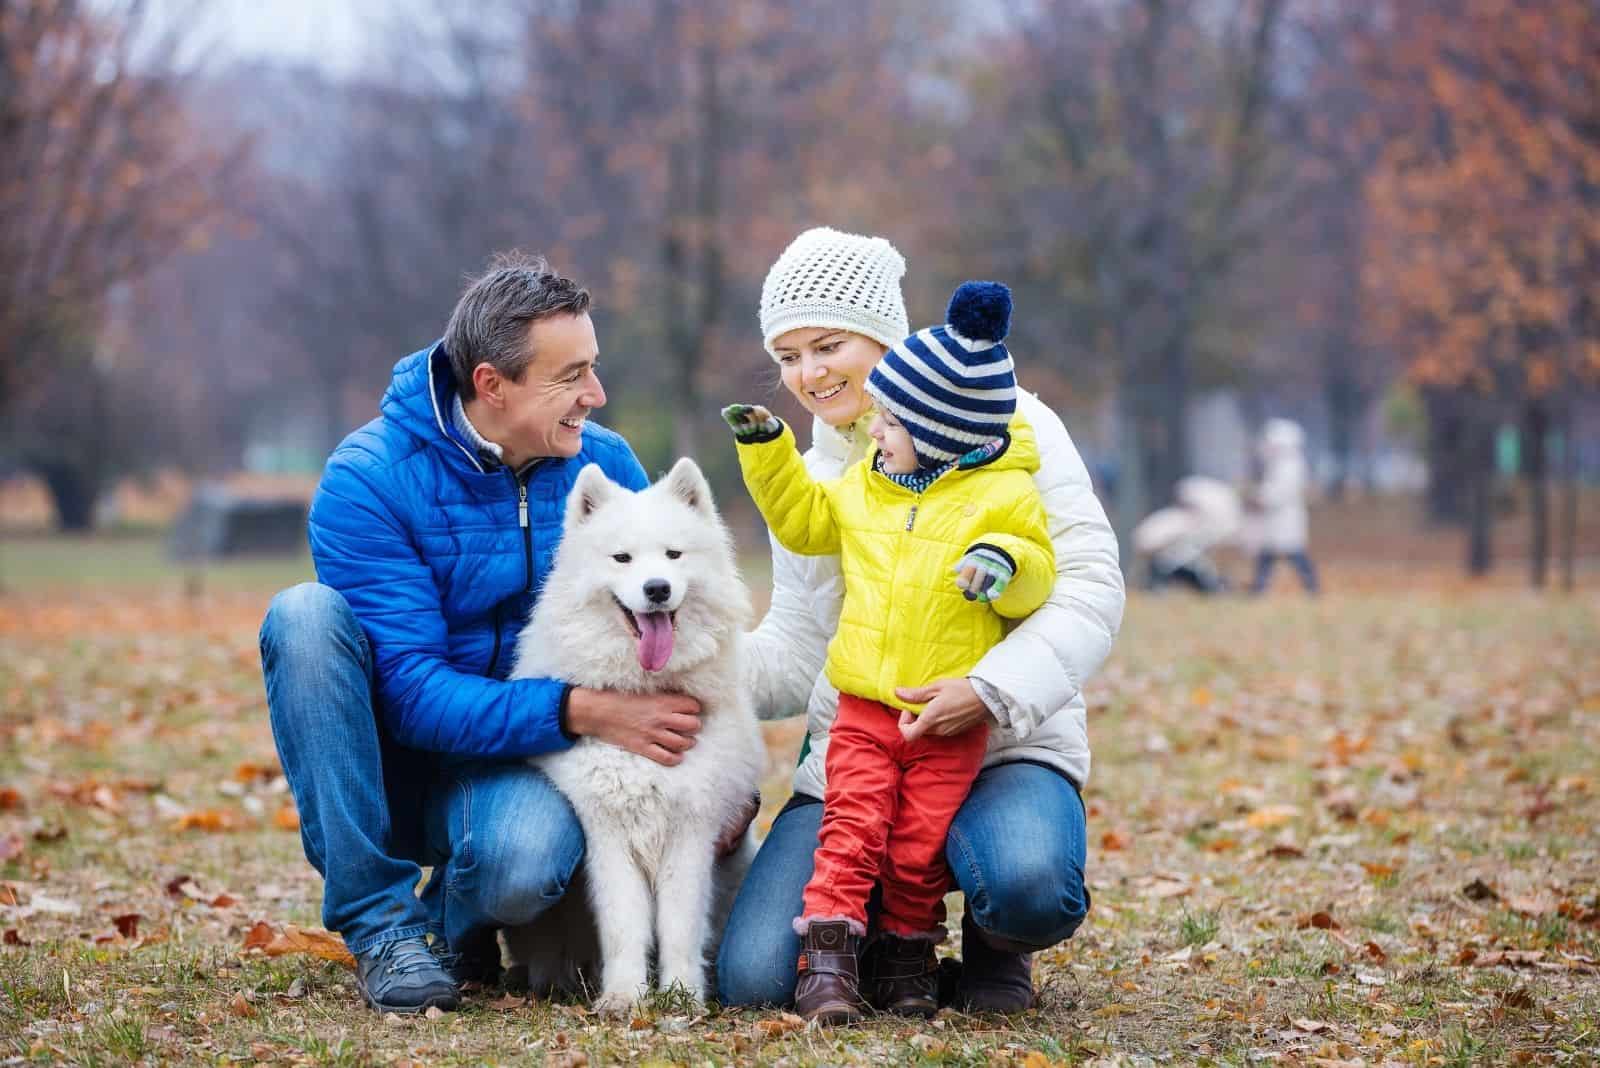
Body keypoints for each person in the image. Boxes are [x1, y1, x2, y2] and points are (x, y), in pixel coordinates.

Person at [257, 252, 716, 1014]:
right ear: (491, 384)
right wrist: (576, 709)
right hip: (401, 767)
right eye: (569, 377)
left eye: (593, 369)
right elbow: (409, 694)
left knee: (525, 865)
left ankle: (453, 921)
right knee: (304, 617)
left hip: (528, 764)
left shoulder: (604, 465)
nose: (594, 397)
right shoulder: (369, 477)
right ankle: (381, 925)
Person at [717, 228, 1125, 1014]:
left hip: (1005, 740)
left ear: (883, 335)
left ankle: (993, 940)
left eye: (827, 344)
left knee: (1027, 886)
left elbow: (1089, 585)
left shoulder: (1015, 427)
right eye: (789, 356)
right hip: (864, 748)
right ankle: (883, 940)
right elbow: (802, 647)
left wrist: (989, 687)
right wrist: (684, 668)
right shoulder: (808, 478)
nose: (808, 374)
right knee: (755, 980)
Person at [1246, 418, 1320, 594]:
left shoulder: (1290, 465)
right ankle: (1259, 588)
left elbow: (1280, 492)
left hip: (1285, 518)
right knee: (1267, 555)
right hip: (1275, 519)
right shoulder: (1279, 463)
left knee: (1294, 554)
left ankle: (1312, 587)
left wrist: (1259, 496)